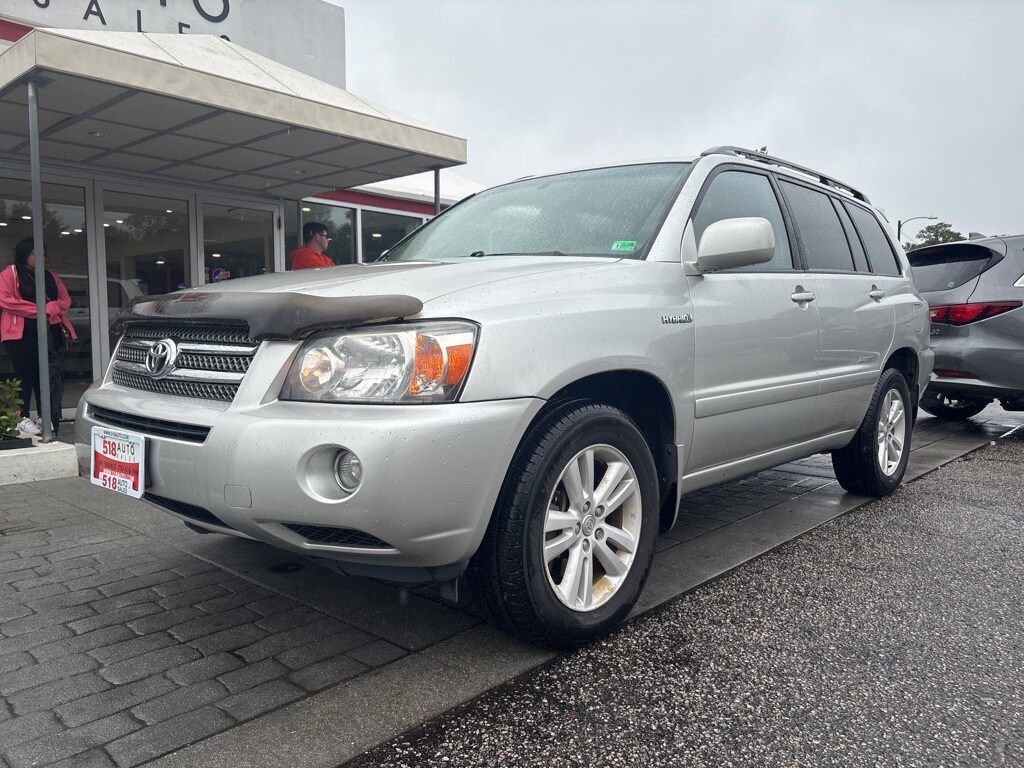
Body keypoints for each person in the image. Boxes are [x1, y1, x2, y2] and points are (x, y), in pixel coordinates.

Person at [0, 237, 76, 437]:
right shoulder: (11, 274)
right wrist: (40, 310)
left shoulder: (50, 276)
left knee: (48, 376)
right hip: (21, 333)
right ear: (24, 254)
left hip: (50, 330)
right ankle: (22, 417)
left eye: (42, 254)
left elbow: (65, 300)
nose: (39, 257)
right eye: (34, 254)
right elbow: (7, 301)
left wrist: (49, 309)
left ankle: (45, 416)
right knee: (26, 374)